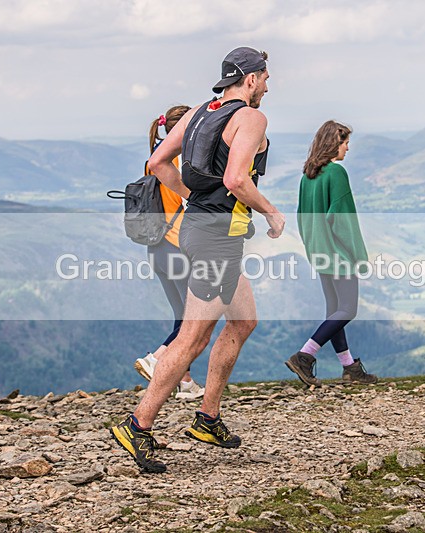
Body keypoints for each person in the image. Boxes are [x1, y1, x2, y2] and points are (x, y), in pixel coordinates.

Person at [110, 47, 285, 473]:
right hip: (216, 239)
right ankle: (138, 425)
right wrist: (270, 212)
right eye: (265, 77)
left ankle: (207, 417)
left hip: (201, 231)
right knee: (191, 338)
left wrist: (196, 201)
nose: (267, 85)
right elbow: (236, 178)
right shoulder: (250, 117)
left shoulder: (198, 113)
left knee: (243, 321)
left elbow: (157, 162)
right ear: (250, 78)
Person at [285, 120, 377, 387]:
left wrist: (313, 247)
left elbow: (302, 217)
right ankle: (305, 355)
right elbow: (343, 220)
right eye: (345, 142)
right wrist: (358, 255)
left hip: (320, 252)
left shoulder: (308, 176)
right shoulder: (336, 173)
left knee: (335, 311)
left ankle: (350, 368)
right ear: (333, 144)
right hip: (339, 254)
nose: (347, 148)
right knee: (348, 310)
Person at [133, 105, 205, 400]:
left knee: (182, 315)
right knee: (194, 321)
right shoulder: (178, 159)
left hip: (156, 248)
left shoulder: (153, 158)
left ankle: (185, 383)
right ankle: (157, 358)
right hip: (178, 246)